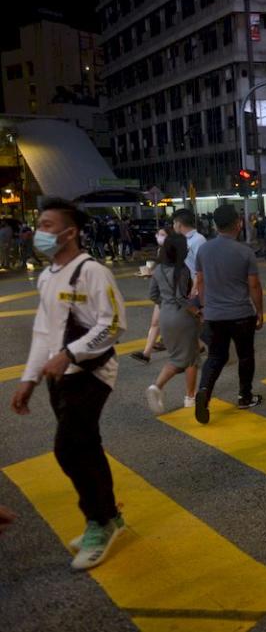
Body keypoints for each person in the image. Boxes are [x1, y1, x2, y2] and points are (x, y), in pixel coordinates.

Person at [11, 198, 127, 570]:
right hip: (59, 377)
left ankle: (98, 521)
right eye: (39, 224)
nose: (39, 232)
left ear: (70, 232)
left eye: (46, 225)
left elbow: (112, 325)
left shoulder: (92, 272)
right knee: (86, 445)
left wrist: (71, 354)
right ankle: (110, 516)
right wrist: (29, 378)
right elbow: (43, 333)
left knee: (68, 447)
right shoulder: (46, 277)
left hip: (93, 374)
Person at [193, 204, 265, 423]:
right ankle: (245, 396)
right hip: (241, 314)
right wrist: (260, 312)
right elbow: (254, 286)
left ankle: (204, 391)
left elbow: (200, 281)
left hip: (214, 314)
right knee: (245, 355)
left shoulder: (203, 250)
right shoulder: (244, 251)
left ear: (215, 225)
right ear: (238, 223)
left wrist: (204, 308)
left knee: (215, 356)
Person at [145, 233, 202, 414]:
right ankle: (188, 397)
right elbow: (181, 298)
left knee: (178, 356)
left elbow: (153, 295)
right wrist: (197, 312)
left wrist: (166, 305)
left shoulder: (159, 269)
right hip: (182, 317)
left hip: (166, 316)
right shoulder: (182, 270)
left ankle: (158, 388)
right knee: (191, 358)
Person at [129, 227, 170, 365]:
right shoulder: (160, 250)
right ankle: (146, 354)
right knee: (155, 323)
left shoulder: (175, 250)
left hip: (171, 293)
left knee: (183, 325)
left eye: (162, 234)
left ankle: (197, 347)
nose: (158, 236)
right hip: (161, 293)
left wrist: (152, 274)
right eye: (158, 234)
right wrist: (149, 273)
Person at [172, 209, 207, 279]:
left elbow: (203, 267)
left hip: (198, 283)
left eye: (174, 223)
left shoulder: (198, 240)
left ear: (179, 224)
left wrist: (195, 288)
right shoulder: (183, 239)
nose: (173, 226)